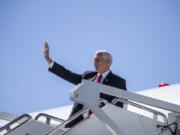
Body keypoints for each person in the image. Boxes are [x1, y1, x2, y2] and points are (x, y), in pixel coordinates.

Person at [43, 42, 127, 127]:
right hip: (78, 123)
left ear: (108, 63)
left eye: (97, 60)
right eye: (93, 60)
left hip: (101, 124)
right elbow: (69, 75)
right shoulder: (88, 76)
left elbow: (119, 106)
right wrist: (49, 61)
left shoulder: (118, 81)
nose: (94, 62)